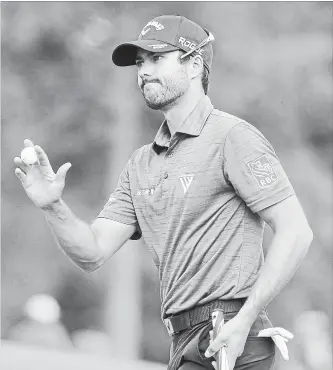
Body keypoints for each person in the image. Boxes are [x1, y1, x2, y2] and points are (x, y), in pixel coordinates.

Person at [14, 15, 313, 370]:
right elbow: (91, 253)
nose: (143, 71)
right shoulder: (141, 164)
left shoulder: (233, 137)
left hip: (232, 337)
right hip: (184, 341)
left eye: (158, 58)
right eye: (140, 63)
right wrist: (53, 206)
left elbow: (296, 232)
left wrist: (244, 321)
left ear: (194, 65)